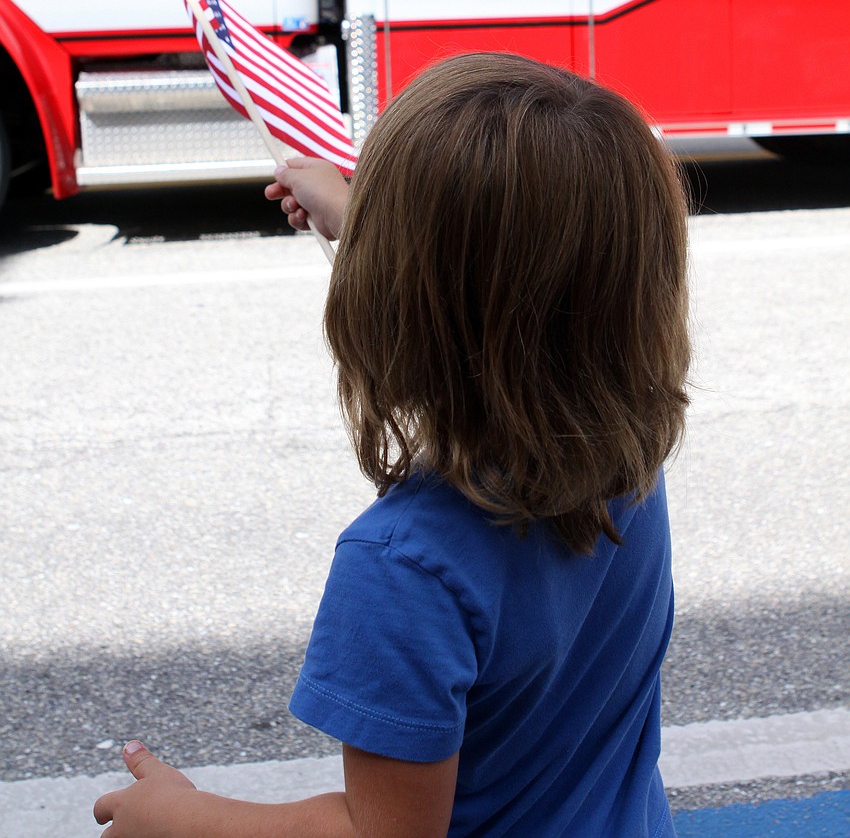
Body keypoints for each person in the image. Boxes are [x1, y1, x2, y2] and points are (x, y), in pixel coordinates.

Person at [94, 53, 691, 838]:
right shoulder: (624, 452)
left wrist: (182, 815)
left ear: (384, 303)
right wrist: (357, 212)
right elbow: (520, 286)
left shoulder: (405, 566)